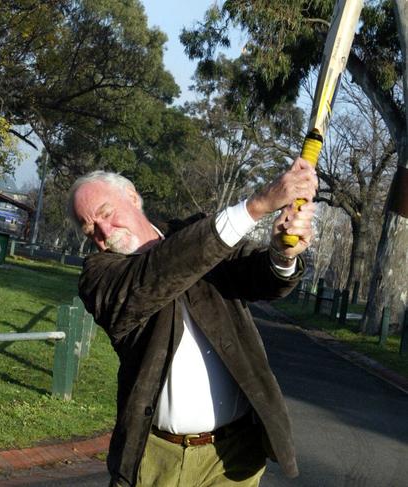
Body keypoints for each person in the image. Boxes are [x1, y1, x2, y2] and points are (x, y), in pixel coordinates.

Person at [68, 158, 318, 487]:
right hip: (158, 459)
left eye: (105, 213)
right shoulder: (101, 276)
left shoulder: (196, 234)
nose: (103, 231)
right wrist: (257, 205)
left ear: (131, 196)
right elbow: (160, 272)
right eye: (90, 229)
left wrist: (282, 254)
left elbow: (259, 277)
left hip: (233, 458)